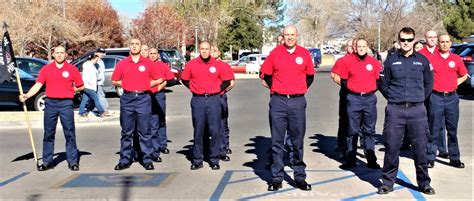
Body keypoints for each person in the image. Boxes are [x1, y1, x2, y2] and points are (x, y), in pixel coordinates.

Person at [377, 27, 435, 195]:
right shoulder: (391, 60)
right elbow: (383, 83)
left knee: (420, 148)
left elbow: (428, 84)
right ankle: (387, 182)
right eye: (403, 40)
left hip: (417, 110)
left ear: (414, 40)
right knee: (392, 147)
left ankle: (424, 183)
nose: (406, 43)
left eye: (409, 40)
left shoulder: (423, 61)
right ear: (399, 40)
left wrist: (418, 98)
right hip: (395, 110)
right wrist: (394, 98)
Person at [260, 25, 314, 191]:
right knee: (277, 142)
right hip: (278, 102)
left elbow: (310, 76)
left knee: (297, 141)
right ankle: (277, 178)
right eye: (287, 35)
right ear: (282, 36)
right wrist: (278, 89)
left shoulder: (304, 53)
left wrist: (297, 89)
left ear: (297, 36)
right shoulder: (275, 53)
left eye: (292, 34)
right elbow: (265, 74)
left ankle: (299, 177)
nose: (290, 37)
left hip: (297, 102)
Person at [19, 46, 84, 171]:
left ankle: (73, 161)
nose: (59, 55)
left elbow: (81, 86)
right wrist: (26, 95)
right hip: (50, 104)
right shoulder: (46, 69)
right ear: (53, 55)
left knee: (69, 133)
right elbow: (38, 85)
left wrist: (71, 90)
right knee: (48, 134)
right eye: (57, 53)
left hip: (66, 104)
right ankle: (47, 162)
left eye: (62, 53)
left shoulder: (72, 69)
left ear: (66, 55)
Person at [181, 41, 234, 170]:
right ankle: (197, 159)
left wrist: (217, 90)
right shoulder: (192, 64)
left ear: (210, 50)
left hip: (214, 100)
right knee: (199, 131)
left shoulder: (217, 65)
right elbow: (184, 79)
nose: (204, 51)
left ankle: (214, 159)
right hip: (198, 100)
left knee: (215, 130)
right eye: (202, 49)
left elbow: (227, 81)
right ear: (199, 50)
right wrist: (194, 89)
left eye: (207, 49)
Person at [111, 38, 163, 171]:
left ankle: (147, 159)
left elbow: (159, 79)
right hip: (127, 98)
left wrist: (145, 85)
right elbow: (115, 80)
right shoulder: (122, 63)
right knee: (126, 132)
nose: (134, 46)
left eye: (137, 44)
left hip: (143, 98)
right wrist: (126, 84)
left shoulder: (148, 63)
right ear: (129, 47)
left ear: (141, 47)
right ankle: (124, 160)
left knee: (144, 131)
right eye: (132, 44)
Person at [338, 39, 381, 169]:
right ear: (355, 48)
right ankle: (350, 159)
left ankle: (371, 159)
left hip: (369, 99)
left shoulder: (374, 63)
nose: (361, 49)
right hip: (354, 99)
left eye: (364, 46)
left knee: (369, 130)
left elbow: (379, 80)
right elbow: (343, 80)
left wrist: (370, 90)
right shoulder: (347, 61)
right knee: (352, 130)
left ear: (367, 47)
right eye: (359, 46)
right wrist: (353, 89)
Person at [426, 34, 468, 169]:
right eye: (442, 42)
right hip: (436, 97)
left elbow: (464, 75)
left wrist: (455, 84)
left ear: (450, 43)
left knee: (452, 130)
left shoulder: (456, 59)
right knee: (434, 129)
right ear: (438, 43)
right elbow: (425, 76)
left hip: (452, 98)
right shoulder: (431, 58)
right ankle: (430, 157)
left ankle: (454, 158)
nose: (444, 44)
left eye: (447, 42)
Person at [418, 30, 448, 158]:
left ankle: (442, 149)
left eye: (434, 37)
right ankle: (425, 148)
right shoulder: (419, 54)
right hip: (423, 92)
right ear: (425, 38)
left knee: (439, 122)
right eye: (429, 37)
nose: (432, 39)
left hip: (437, 93)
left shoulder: (441, 52)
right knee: (425, 122)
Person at [148, 47, 176, 162]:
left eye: (155, 53)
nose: (153, 55)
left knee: (161, 120)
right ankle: (152, 147)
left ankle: (163, 145)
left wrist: (164, 83)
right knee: (151, 122)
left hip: (159, 95)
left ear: (158, 55)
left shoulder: (162, 65)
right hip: (147, 96)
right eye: (151, 53)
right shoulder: (145, 65)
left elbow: (171, 79)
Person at [210, 45, 235, 161]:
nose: (212, 52)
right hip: (207, 99)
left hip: (219, 98)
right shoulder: (206, 66)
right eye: (211, 50)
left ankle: (223, 149)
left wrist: (221, 91)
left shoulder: (224, 66)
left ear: (219, 52)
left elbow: (231, 83)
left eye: (214, 50)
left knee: (222, 124)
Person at [330, 39, 354, 158]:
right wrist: (348, 86)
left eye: (354, 46)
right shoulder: (342, 60)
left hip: (360, 96)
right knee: (345, 120)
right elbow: (334, 75)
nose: (352, 48)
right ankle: (343, 147)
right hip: (346, 93)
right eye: (350, 46)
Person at [95, 48, 111, 116]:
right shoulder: (96, 61)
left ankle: (105, 110)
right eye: (100, 52)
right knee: (101, 96)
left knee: (97, 96)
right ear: (96, 53)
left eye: (102, 52)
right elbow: (95, 72)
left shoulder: (100, 61)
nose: (101, 54)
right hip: (97, 82)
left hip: (100, 82)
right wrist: (98, 78)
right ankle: (105, 110)